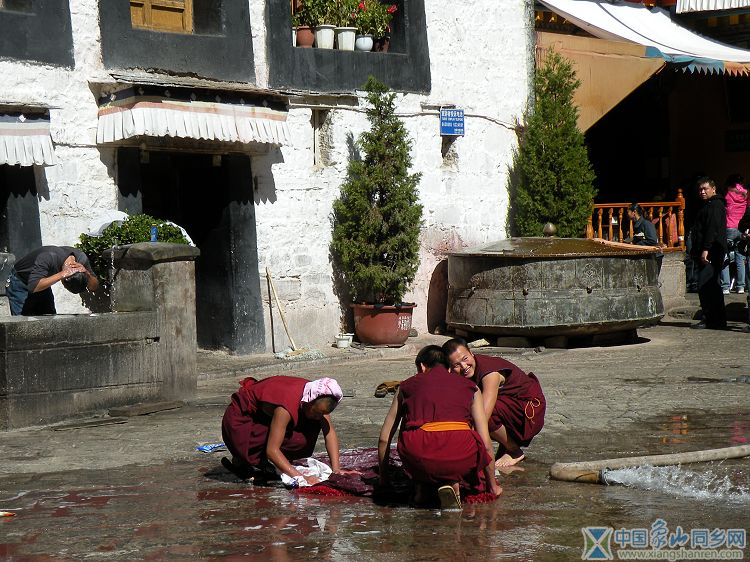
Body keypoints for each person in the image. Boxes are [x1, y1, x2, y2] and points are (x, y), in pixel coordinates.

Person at [378, 345, 502, 509]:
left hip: (420, 455)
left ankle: (421, 488)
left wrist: (384, 481)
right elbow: (485, 443)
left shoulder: (405, 387)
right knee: (461, 439)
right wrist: (492, 486)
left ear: (422, 366)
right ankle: (453, 482)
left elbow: (384, 438)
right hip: (461, 454)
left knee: (410, 430)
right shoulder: (472, 388)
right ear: (449, 368)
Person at [221, 375, 352, 485]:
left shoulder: (319, 397)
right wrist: (300, 477)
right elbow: (272, 450)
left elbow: (329, 433)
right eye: (317, 413)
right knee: (293, 439)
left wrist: (336, 469)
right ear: (309, 401)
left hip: (265, 418)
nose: (319, 417)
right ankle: (243, 459)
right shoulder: (286, 408)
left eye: (322, 414)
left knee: (303, 437)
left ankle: (273, 463)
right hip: (240, 423)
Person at [442, 338, 545, 468]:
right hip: (511, 405)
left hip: (530, 411)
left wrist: (460, 447)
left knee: (479, 414)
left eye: (465, 359)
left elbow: (483, 415)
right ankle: (507, 444)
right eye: (456, 365)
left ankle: (514, 451)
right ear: (450, 368)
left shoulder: (490, 373)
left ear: (471, 353)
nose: (464, 367)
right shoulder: (458, 374)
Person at [6, 246, 99, 316]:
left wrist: (87, 273)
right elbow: (33, 286)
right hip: (20, 282)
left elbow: (94, 287)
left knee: (49, 319)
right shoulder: (48, 257)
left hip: (41, 281)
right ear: (63, 279)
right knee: (23, 325)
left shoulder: (81, 260)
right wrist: (62, 274)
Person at [690, 177, 728, 330]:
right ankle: (715, 319)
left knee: (705, 285)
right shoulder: (707, 205)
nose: (702, 192)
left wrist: (706, 249)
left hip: (712, 251)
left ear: (713, 189)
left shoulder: (716, 206)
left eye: (705, 189)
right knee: (711, 285)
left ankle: (711, 318)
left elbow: (713, 229)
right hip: (707, 250)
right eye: (700, 189)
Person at [720, 174, 748, 294]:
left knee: (725, 257)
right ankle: (741, 286)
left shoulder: (727, 192)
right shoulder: (745, 193)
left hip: (729, 227)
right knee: (740, 257)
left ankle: (725, 287)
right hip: (741, 228)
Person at [626, 203, 663, 272]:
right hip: (647, 256)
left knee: (652, 278)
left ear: (634, 212)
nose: (627, 214)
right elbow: (638, 237)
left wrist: (636, 245)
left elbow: (652, 240)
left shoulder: (646, 224)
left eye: (628, 212)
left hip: (654, 257)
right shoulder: (637, 225)